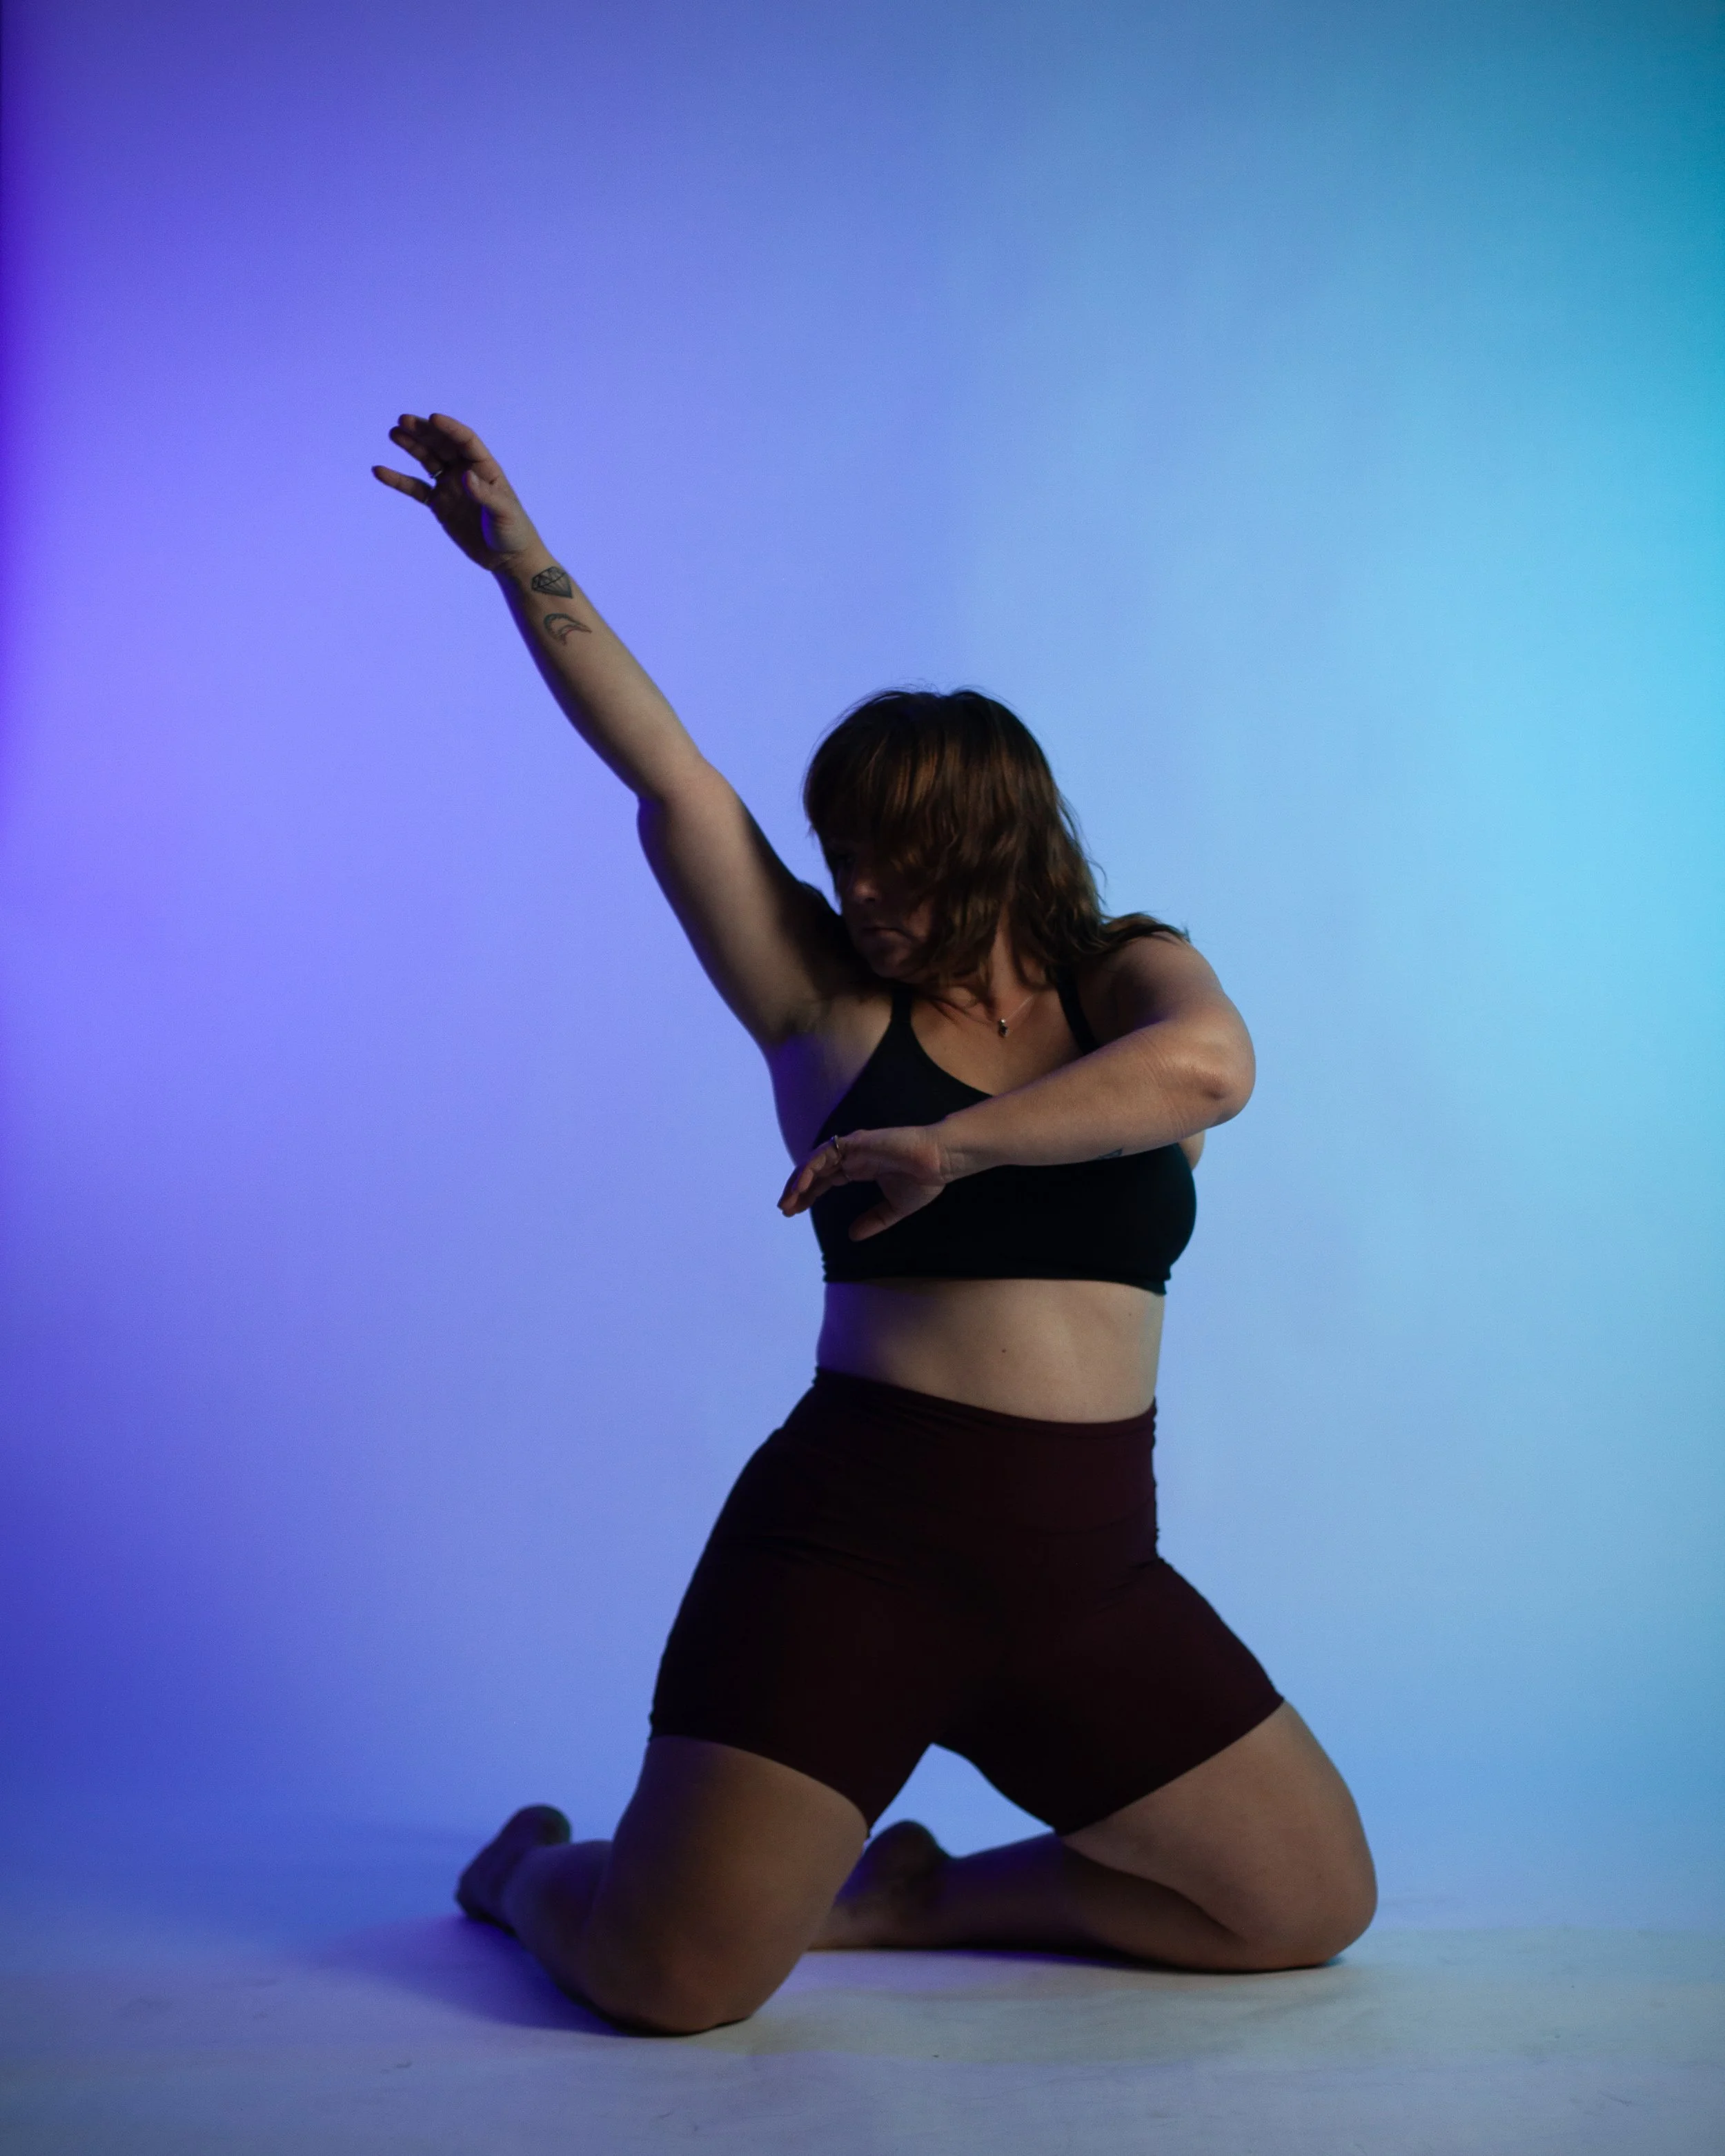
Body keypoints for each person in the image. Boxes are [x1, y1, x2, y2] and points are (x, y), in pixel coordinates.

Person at [372, 413, 1377, 2036]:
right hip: (854, 1551)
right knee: (666, 1981)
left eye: (897, 869)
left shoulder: (1128, 979)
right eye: (844, 861)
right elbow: (670, 775)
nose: (860, 899)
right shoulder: (822, 1006)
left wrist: (952, 1149)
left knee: (1302, 1906)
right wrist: (520, 561)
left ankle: (920, 1893)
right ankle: (526, 1875)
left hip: (1089, 1575)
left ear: (994, 853)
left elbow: (1215, 1070)